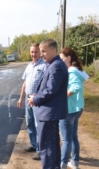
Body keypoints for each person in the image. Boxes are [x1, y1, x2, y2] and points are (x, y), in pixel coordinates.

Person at [27, 38, 68, 169]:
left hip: (48, 114)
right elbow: (50, 88)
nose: (41, 54)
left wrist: (36, 99)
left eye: (44, 51)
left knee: (47, 147)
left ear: (53, 50)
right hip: (50, 113)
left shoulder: (56, 66)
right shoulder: (54, 64)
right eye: (40, 51)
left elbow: (51, 90)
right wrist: (37, 95)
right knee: (52, 145)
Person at [59, 47, 89, 169]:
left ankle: (62, 164)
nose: (61, 61)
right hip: (77, 108)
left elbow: (75, 87)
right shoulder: (77, 70)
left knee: (66, 140)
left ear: (69, 58)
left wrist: (62, 96)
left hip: (68, 109)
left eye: (62, 59)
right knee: (73, 137)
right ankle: (74, 162)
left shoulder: (71, 71)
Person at [17, 43, 46, 160]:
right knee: (29, 123)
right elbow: (25, 84)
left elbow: (46, 85)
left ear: (39, 52)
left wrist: (39, 97)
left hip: (37, 100)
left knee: (38, 124)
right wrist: (21, 98)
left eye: (36, 52)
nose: (33, 54)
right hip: (28, 99)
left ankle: (40, 150)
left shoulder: (44, 66)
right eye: (32, 52)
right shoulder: (29, 66)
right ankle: (33, 145)